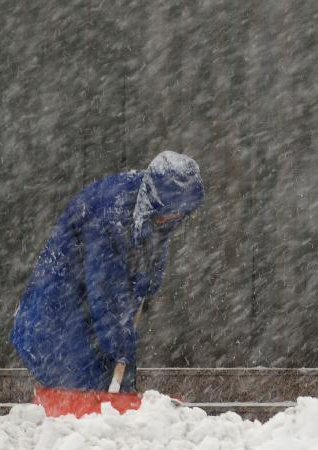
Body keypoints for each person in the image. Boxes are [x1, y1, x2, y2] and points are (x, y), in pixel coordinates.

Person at [10, 151, 204, 415]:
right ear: (153, 198)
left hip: (90, 317)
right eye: (169, 214)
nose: (172, 219)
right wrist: (122, 349)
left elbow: (155, 243)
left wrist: (150, 277)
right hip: (55, 320)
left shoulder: (154, 207)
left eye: (179, 215)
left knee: (110, 392)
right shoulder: (109, 213)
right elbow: (105, 292)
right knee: (82, 406)